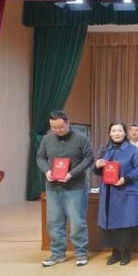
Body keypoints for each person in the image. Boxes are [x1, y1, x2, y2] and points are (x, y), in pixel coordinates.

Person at [35, 110, 94, 267]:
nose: (57, 130)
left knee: (77, 223)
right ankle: (57, 254)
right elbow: (40, 157)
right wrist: (47, 171)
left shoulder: (81, 139)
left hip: (75, 187)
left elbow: (89, 158)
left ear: (68, 123)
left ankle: (81, 253)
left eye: (60, 127)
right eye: (53, 127)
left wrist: (71, 174)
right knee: (54, 223)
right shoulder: (47, 139)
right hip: (53, 188)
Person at [93, 122, 138, 266]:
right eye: (114, 130)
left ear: (124, 133)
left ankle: (126, 252)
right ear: (109, 133)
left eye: (120, 131)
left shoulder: (132, 150)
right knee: (110, 223)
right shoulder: (104, 149)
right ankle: (115, 252)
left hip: (125, 192)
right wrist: (97, 165)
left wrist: (125, 178)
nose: (117, 133)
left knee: (124, 224)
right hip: (109, 192)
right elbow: (97, 170)